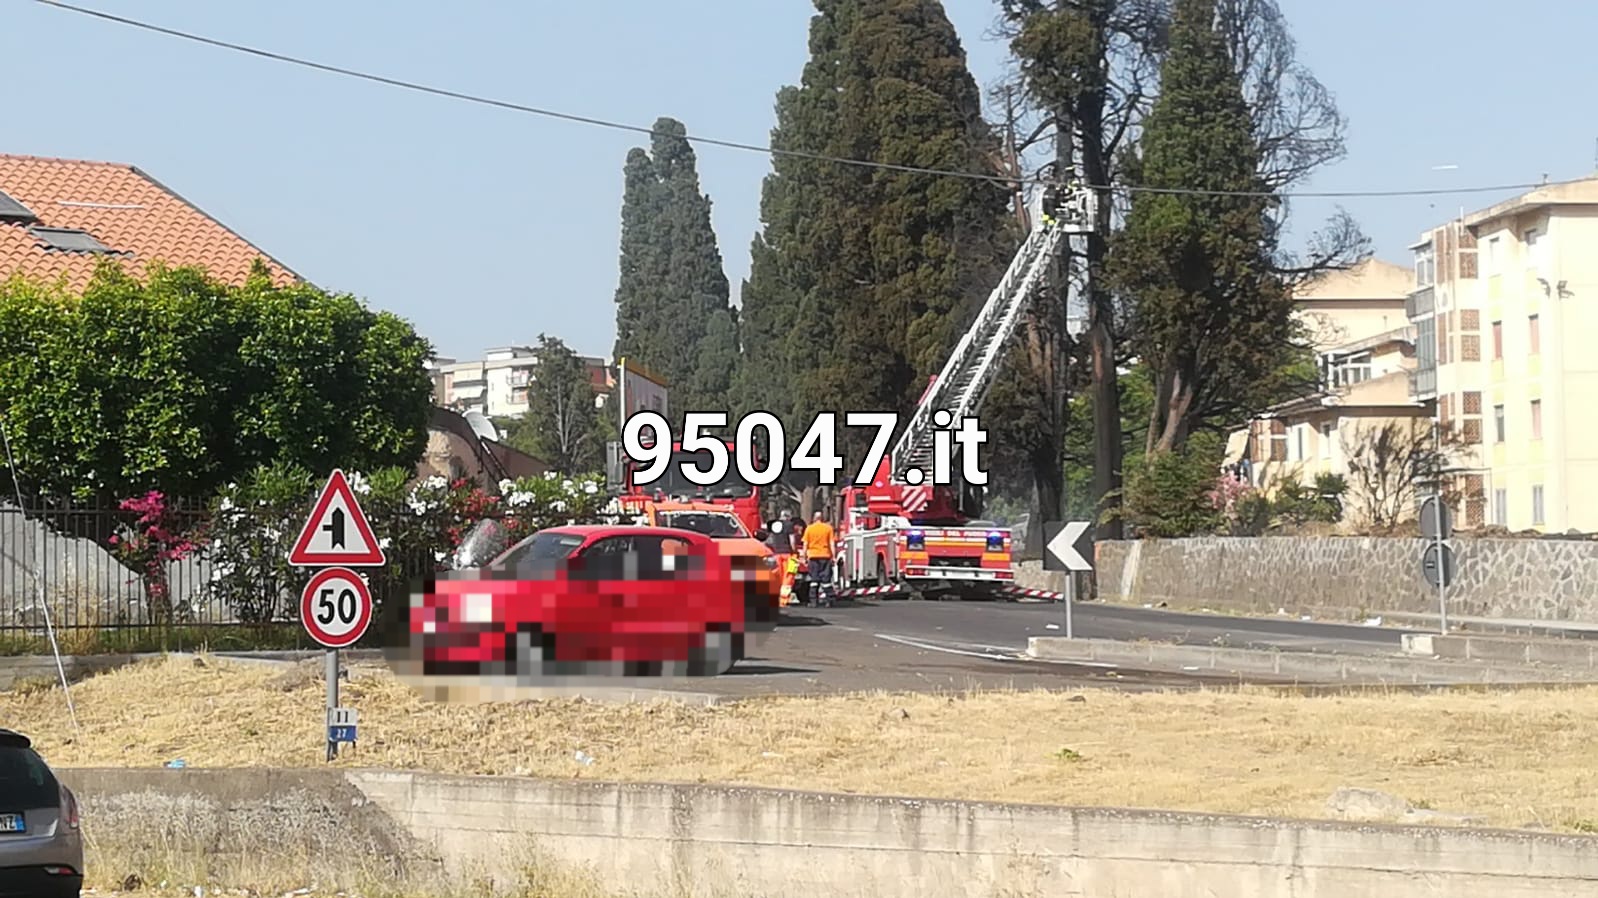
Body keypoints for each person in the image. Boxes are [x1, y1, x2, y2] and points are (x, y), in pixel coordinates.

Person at [800, 511, 836, 607]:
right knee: (826, 580)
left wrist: (804, 557)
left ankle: (813, 601)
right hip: (825, 556)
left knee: (814, 580)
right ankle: (830, 600)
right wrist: (834, 556)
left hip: (813, 556)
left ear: (814, 518)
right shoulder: (828, 528)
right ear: (822, 518)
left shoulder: (809, 529)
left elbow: (805, 544)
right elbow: (832, 543)